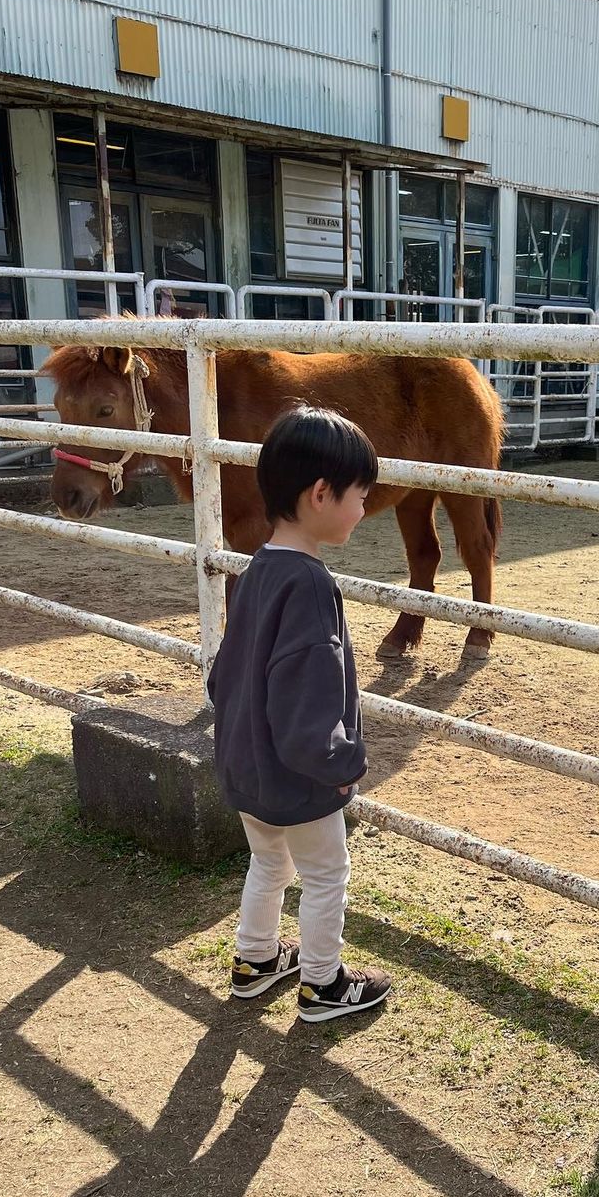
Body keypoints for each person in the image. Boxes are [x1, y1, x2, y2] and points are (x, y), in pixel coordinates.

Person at [207, 405, 391, 1023]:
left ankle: (256, 961)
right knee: (325, 873)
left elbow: (224, 673)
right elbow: (306, 699)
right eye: (360, 497)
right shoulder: (311, 587)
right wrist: (340, 762)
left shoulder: (258, 570)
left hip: (247, 762)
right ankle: (322, 984)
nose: (364, 509)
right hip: (298, 772)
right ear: (321, 494)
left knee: (268, 861)